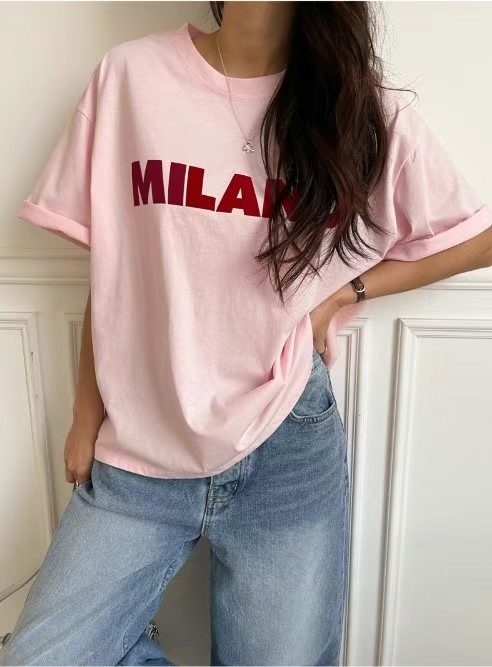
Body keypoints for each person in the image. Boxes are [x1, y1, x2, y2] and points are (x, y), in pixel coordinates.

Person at [2, 1, 492, 665]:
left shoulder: (356, 108)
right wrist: (86, 412)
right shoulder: (130, 78)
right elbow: (118, 266)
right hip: (141, 444)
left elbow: (478, 238)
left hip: (284, 444)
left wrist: (343, 291)